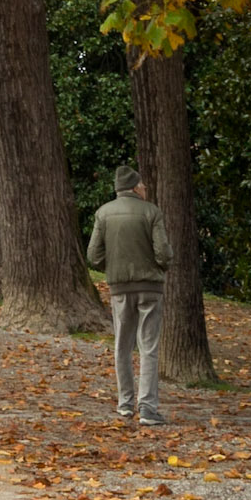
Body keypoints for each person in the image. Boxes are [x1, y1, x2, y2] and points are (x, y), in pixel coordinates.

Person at [88, 163, 172, 427]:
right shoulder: (152, 212)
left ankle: (125, 404)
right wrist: (161, 266)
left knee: (122, 346)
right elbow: (164, 253)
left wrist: (112, 269)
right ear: (135, 187)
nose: (145, 188)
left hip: (120, 288)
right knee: (148, 347)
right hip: (150, 288)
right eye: (143, 185)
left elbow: (93, 255)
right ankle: (147, 408)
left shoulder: (103, 213)